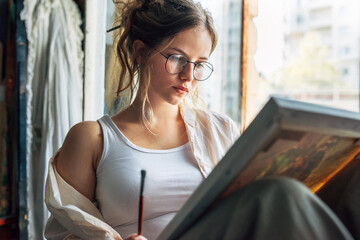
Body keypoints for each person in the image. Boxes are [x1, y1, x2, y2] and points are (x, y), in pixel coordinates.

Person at [44, 0, 358, 239]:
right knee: (279, 194)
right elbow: (65, 232)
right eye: (177, 58)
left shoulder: (220, 129)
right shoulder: (92, 138)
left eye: (200, 64)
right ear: (140, 52)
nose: (189, 76)